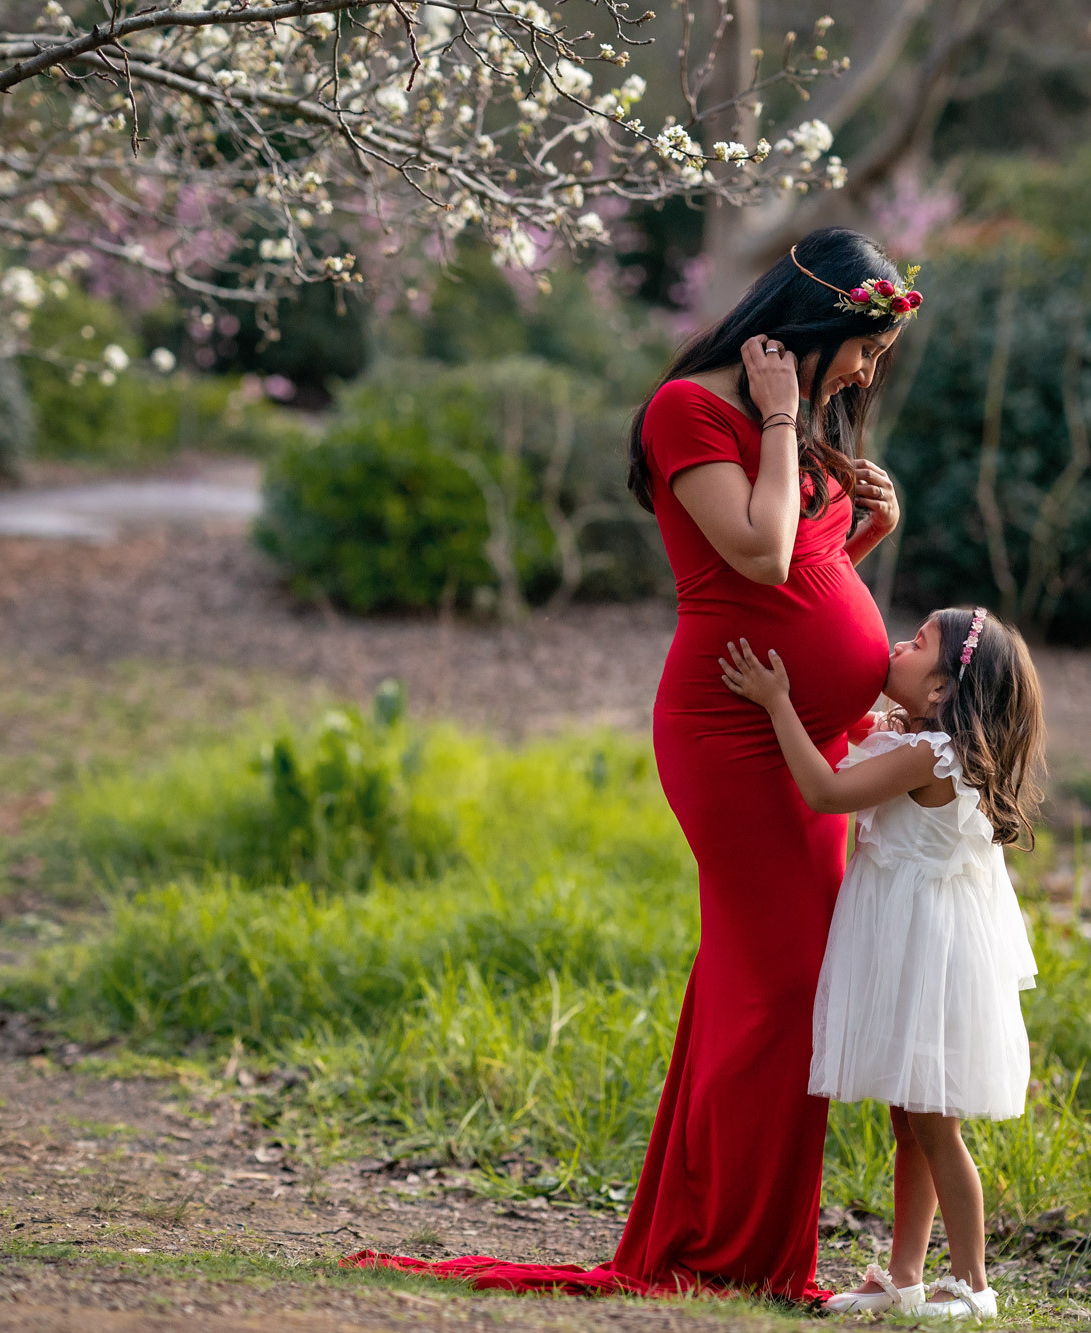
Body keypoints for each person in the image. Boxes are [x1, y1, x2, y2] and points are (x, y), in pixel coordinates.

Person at [347, 228, 920, 1302]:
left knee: (764, 984)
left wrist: (860, 534)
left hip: (808, 739)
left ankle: (728, 1233)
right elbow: (750, 554)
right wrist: (791, 421)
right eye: (861, 347)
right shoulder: (688, 411)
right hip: (732, 735)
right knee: (780, 988)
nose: (865, 371)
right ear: (813, 324)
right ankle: (732, 1254)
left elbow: (793, 571)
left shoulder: (777, 419)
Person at [718, 605, 1045, 1320]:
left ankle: (972, 1283)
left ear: (939, 691)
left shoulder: (932, 756)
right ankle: (903, 1275)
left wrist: (776, 702)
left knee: (934, 1123)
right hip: (910, 945)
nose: (900, 640)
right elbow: (854, 735)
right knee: (911, 1119)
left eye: (918, 640)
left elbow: (827, 792)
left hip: (928, 957)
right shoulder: (919, 738)